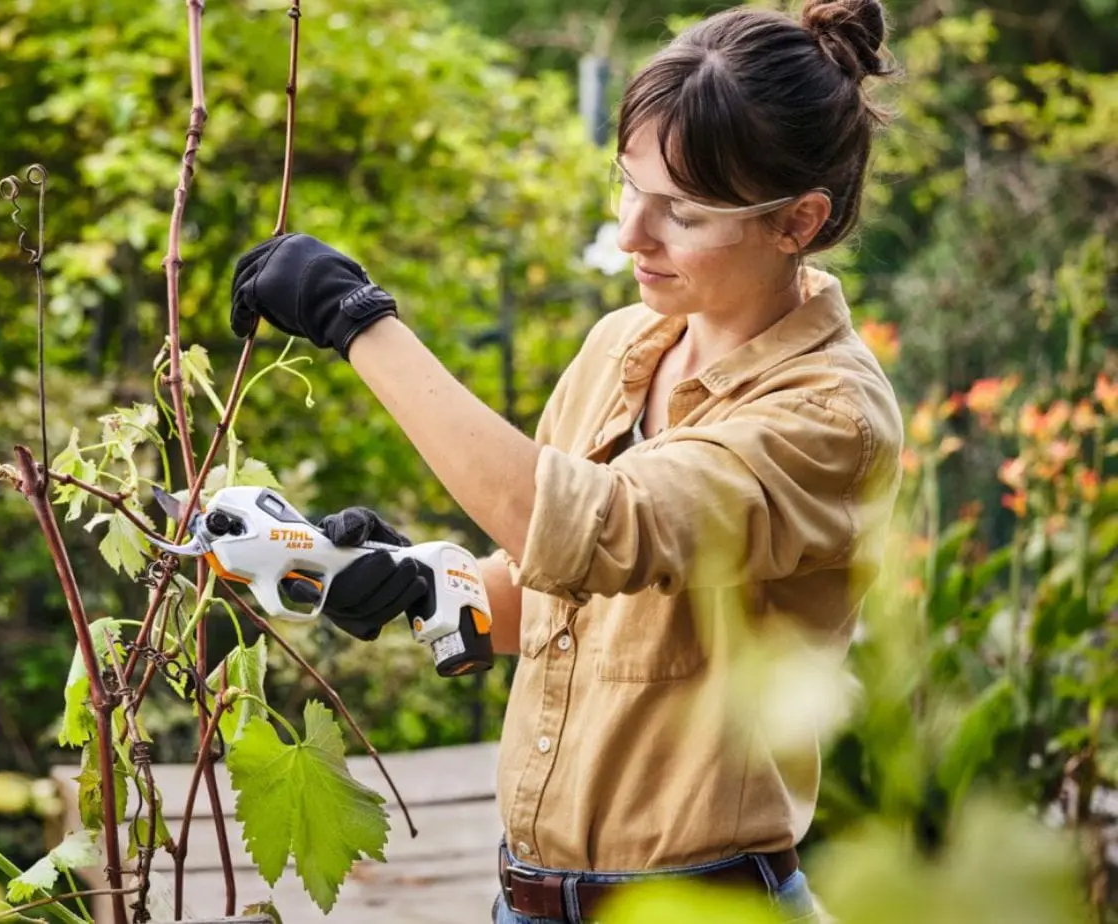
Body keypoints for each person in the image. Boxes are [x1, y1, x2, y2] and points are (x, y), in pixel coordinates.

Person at [225, 0, 904, 920]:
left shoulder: (828, 416)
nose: (633, 233)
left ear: (798, 220)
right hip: (526, 899)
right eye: (628, 185)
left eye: (684, 212)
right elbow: (566, 599)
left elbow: (602, 528)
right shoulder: (625, 344)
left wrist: (359, 324)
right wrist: (427, 581)